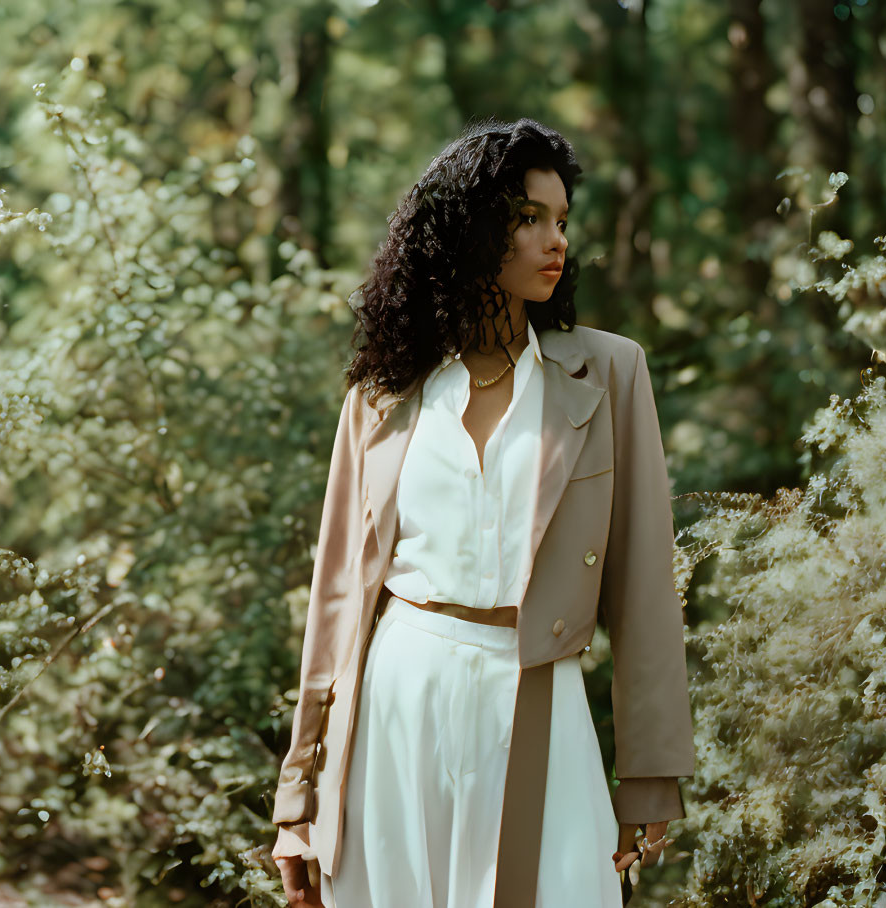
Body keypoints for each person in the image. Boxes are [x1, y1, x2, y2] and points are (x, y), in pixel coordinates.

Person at [271, 116, 696, 908]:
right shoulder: (383, 391)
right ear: (465, 230)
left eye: (560, 221)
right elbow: (335, 601)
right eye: (527, 218)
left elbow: (643, 591)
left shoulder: (608, 372)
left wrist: (647, 778)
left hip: (534, 691)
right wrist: (299, 798)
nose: (553, 240)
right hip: (397, 703)